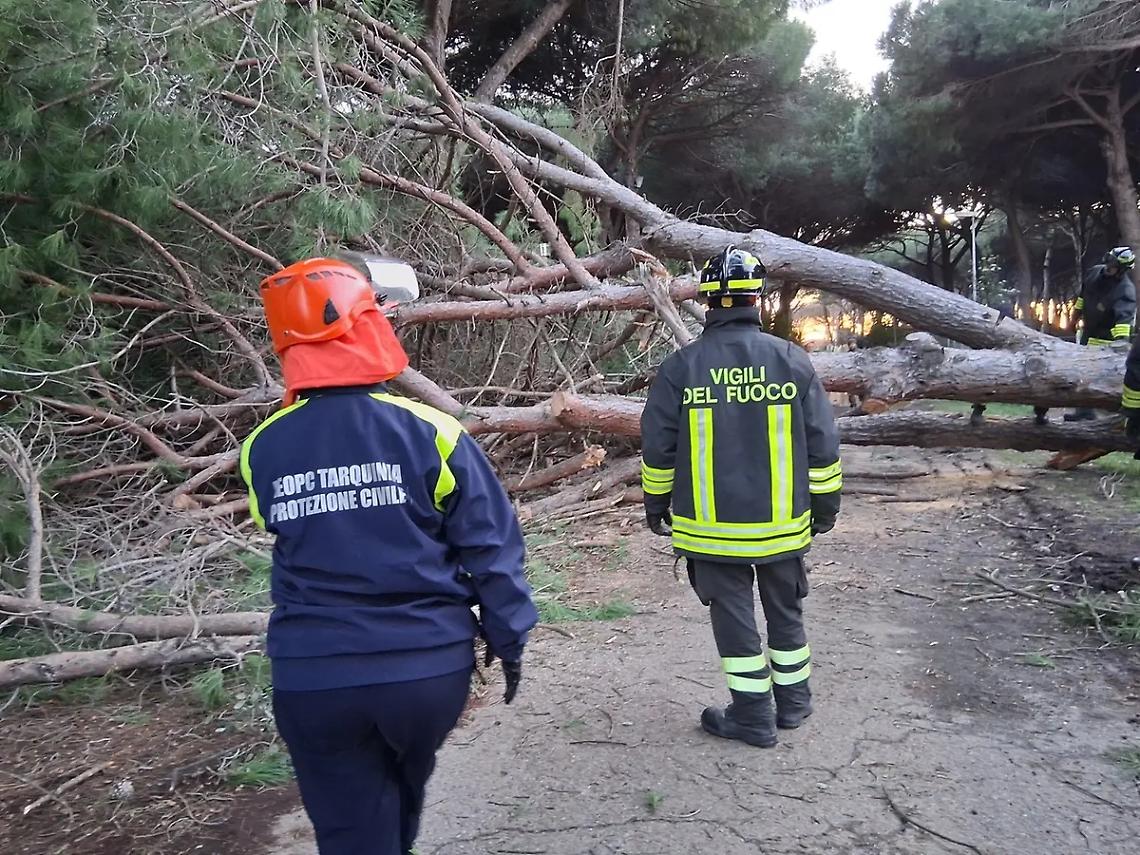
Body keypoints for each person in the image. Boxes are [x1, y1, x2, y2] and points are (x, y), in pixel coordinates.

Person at [239, 257, 538, 855]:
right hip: (427, 673)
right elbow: (492, 552)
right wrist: (509, 642)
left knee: (353, 828)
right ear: (368, 326)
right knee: (401, 793)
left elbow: (278, 524)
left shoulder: (261, 447)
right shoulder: (434, 432)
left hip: (314, 676)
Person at [640, 246, 843, 749]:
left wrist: (655, 505)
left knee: (734, 620)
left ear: (708, 300)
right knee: (785, 611)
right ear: (757, 297)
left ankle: (752, 716)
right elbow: (823, 444)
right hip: (783, 526)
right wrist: (825, 508)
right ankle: (793, 704)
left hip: (711, 533)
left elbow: (658, 451)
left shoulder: (681, 368)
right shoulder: (792, 361)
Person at [1067, 246, 1137, 421]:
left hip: (1106, 341)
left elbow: (1123, 321)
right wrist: (1074, 319)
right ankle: (1082, 411)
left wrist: (1119, 345)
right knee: (1081, 375)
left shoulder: (1125, 291)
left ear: (1122, 270)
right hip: (1088, 334)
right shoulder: (1094, 273)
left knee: (1096, 379)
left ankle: (1101, 412)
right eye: (1108, 263)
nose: (1107, 268)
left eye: (1112, 266)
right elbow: (1083, 297)